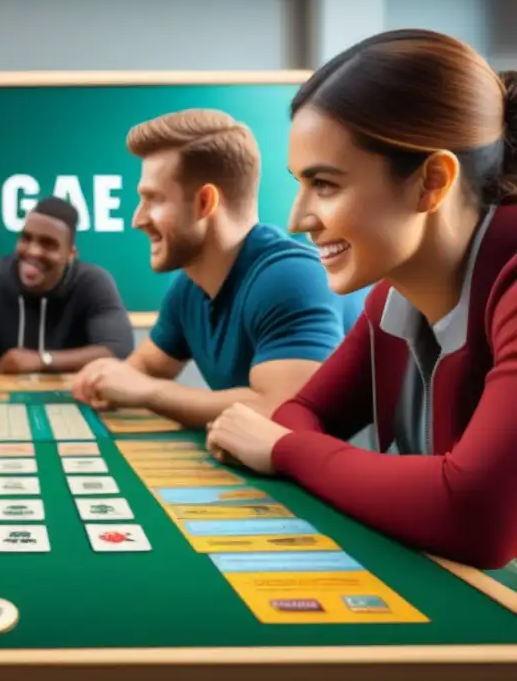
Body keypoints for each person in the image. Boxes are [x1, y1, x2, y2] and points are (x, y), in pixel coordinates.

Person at [204, 29, 517, 569]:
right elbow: (302, 412)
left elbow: (474, 517)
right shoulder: (391, 298)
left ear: (432, 182)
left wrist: (285, 452)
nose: (298, 219)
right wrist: (297, 443)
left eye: (324, 185)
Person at [71, 108, 361, 425]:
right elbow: (144, 368)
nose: (137, 219)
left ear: (205, 202)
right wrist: (107, 374)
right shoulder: (189, 286)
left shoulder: (290, 277)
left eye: (153, 199)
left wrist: (149, 393)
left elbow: (283, 412)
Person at [0, 196, 134, 375]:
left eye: (48, 244)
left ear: (71, 255)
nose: (32, 251)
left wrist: (42, 360)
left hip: (77, 399)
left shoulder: (93, 283)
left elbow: (119, 351)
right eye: (26, 238)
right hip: (7, 404)